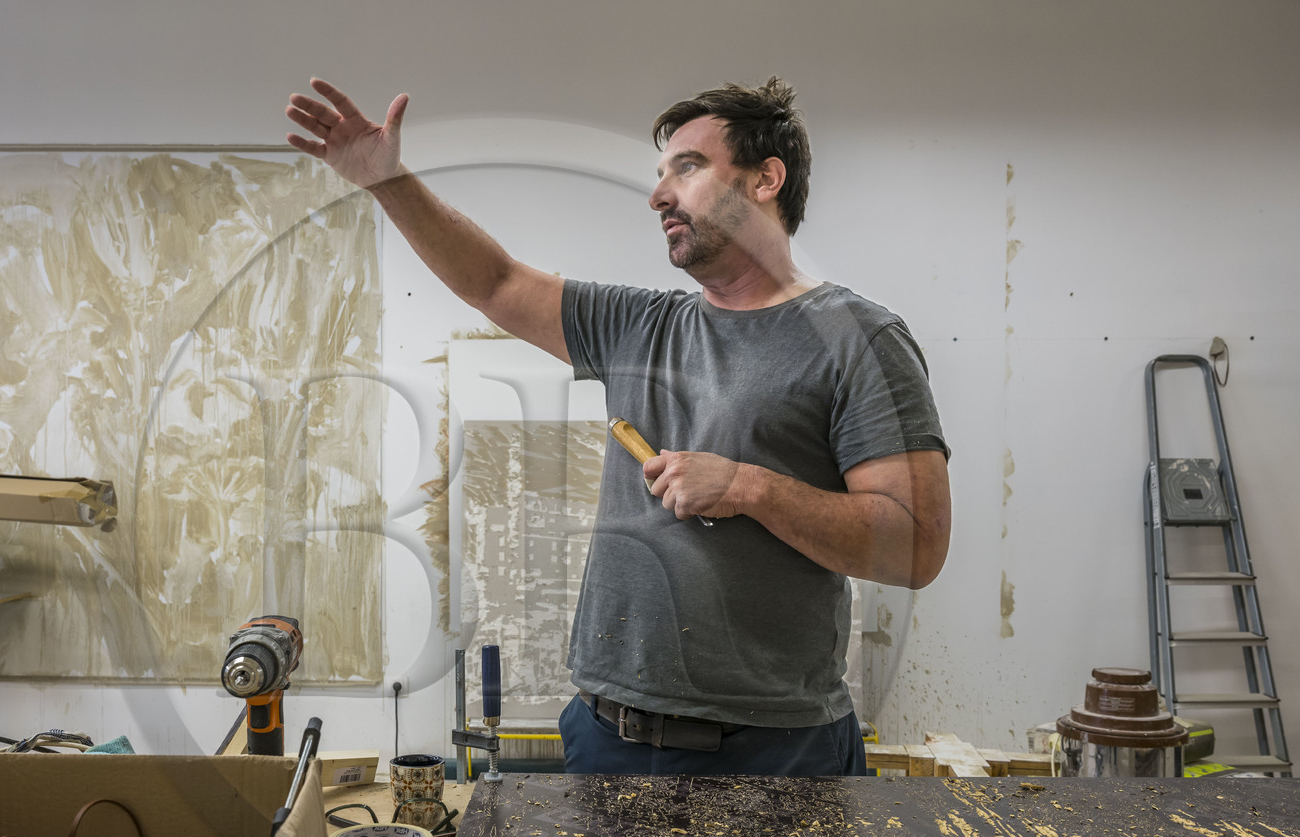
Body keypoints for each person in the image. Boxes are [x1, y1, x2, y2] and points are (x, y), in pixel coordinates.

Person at [285, 76, 950, 776]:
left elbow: (917, 548)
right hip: (609, 734)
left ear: (765, 179)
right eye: (660, 175)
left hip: (775, 748)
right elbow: (495, 282)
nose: (659, 195)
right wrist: (389, 182)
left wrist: (748, 487)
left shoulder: (859, 339)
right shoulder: (640, 325)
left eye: (687, 168)